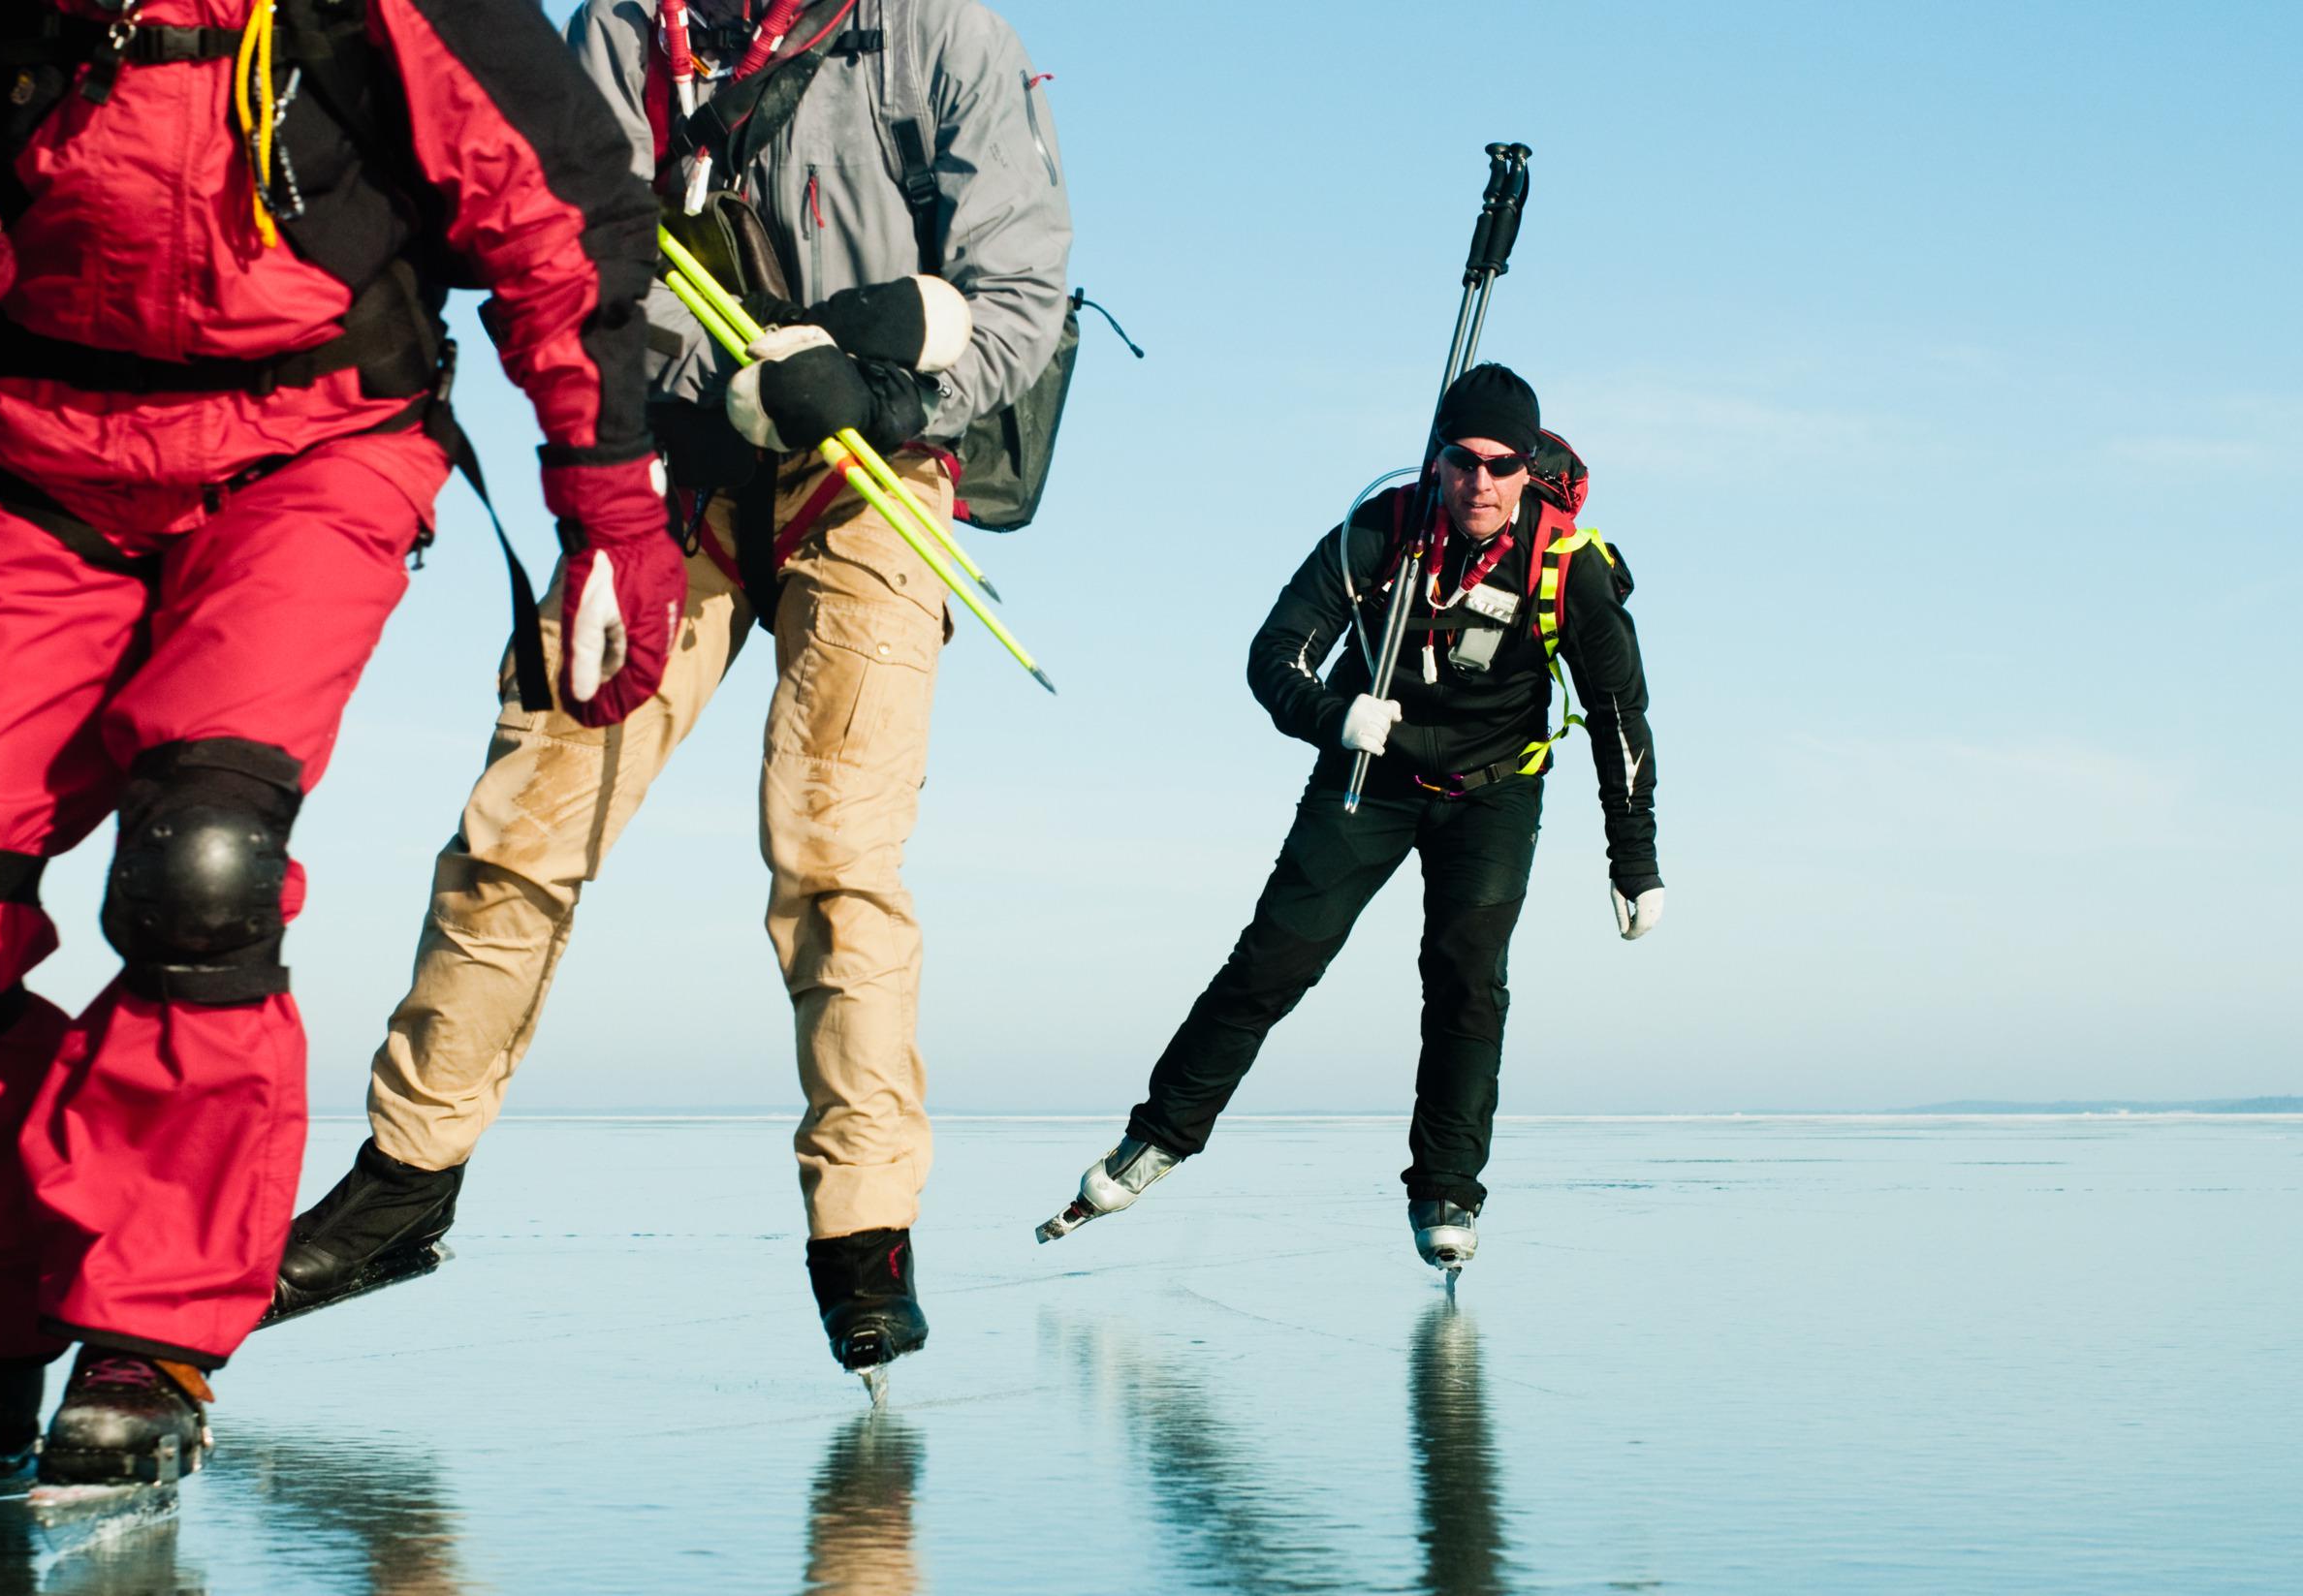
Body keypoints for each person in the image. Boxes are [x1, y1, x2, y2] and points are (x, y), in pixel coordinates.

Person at [0, 0, 674, 1489]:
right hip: (23, 444)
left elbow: (556, 212)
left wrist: (610, 507)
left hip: (307, 443)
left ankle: (149, 1325)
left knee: (203, 870)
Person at [276, 0, 1071, 1376]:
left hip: (878, 482)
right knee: (521, 815)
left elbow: (1021, 299)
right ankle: (407, 1177)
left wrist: (876, 394)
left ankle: (863, 1232)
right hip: (674, 470)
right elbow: (583, 258)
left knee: (835, 854)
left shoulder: (944, 36)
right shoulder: (622, 29)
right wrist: (743, 384)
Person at [1035, 365, 1664, 1272]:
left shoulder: (1571, 565)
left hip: (1494, 788)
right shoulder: (1381, 530)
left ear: (1529, 468)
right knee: (1274, 959)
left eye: (1501, 465)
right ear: (1437, 458)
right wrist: (1335, 717)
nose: (1479, 483)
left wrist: (1633, 857)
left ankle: (1446, 1188)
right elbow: (1273, 655)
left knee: (1467, 981)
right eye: (1461, 461)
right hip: (1369, 771)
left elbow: (1619, 716)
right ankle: (1159, 1138)